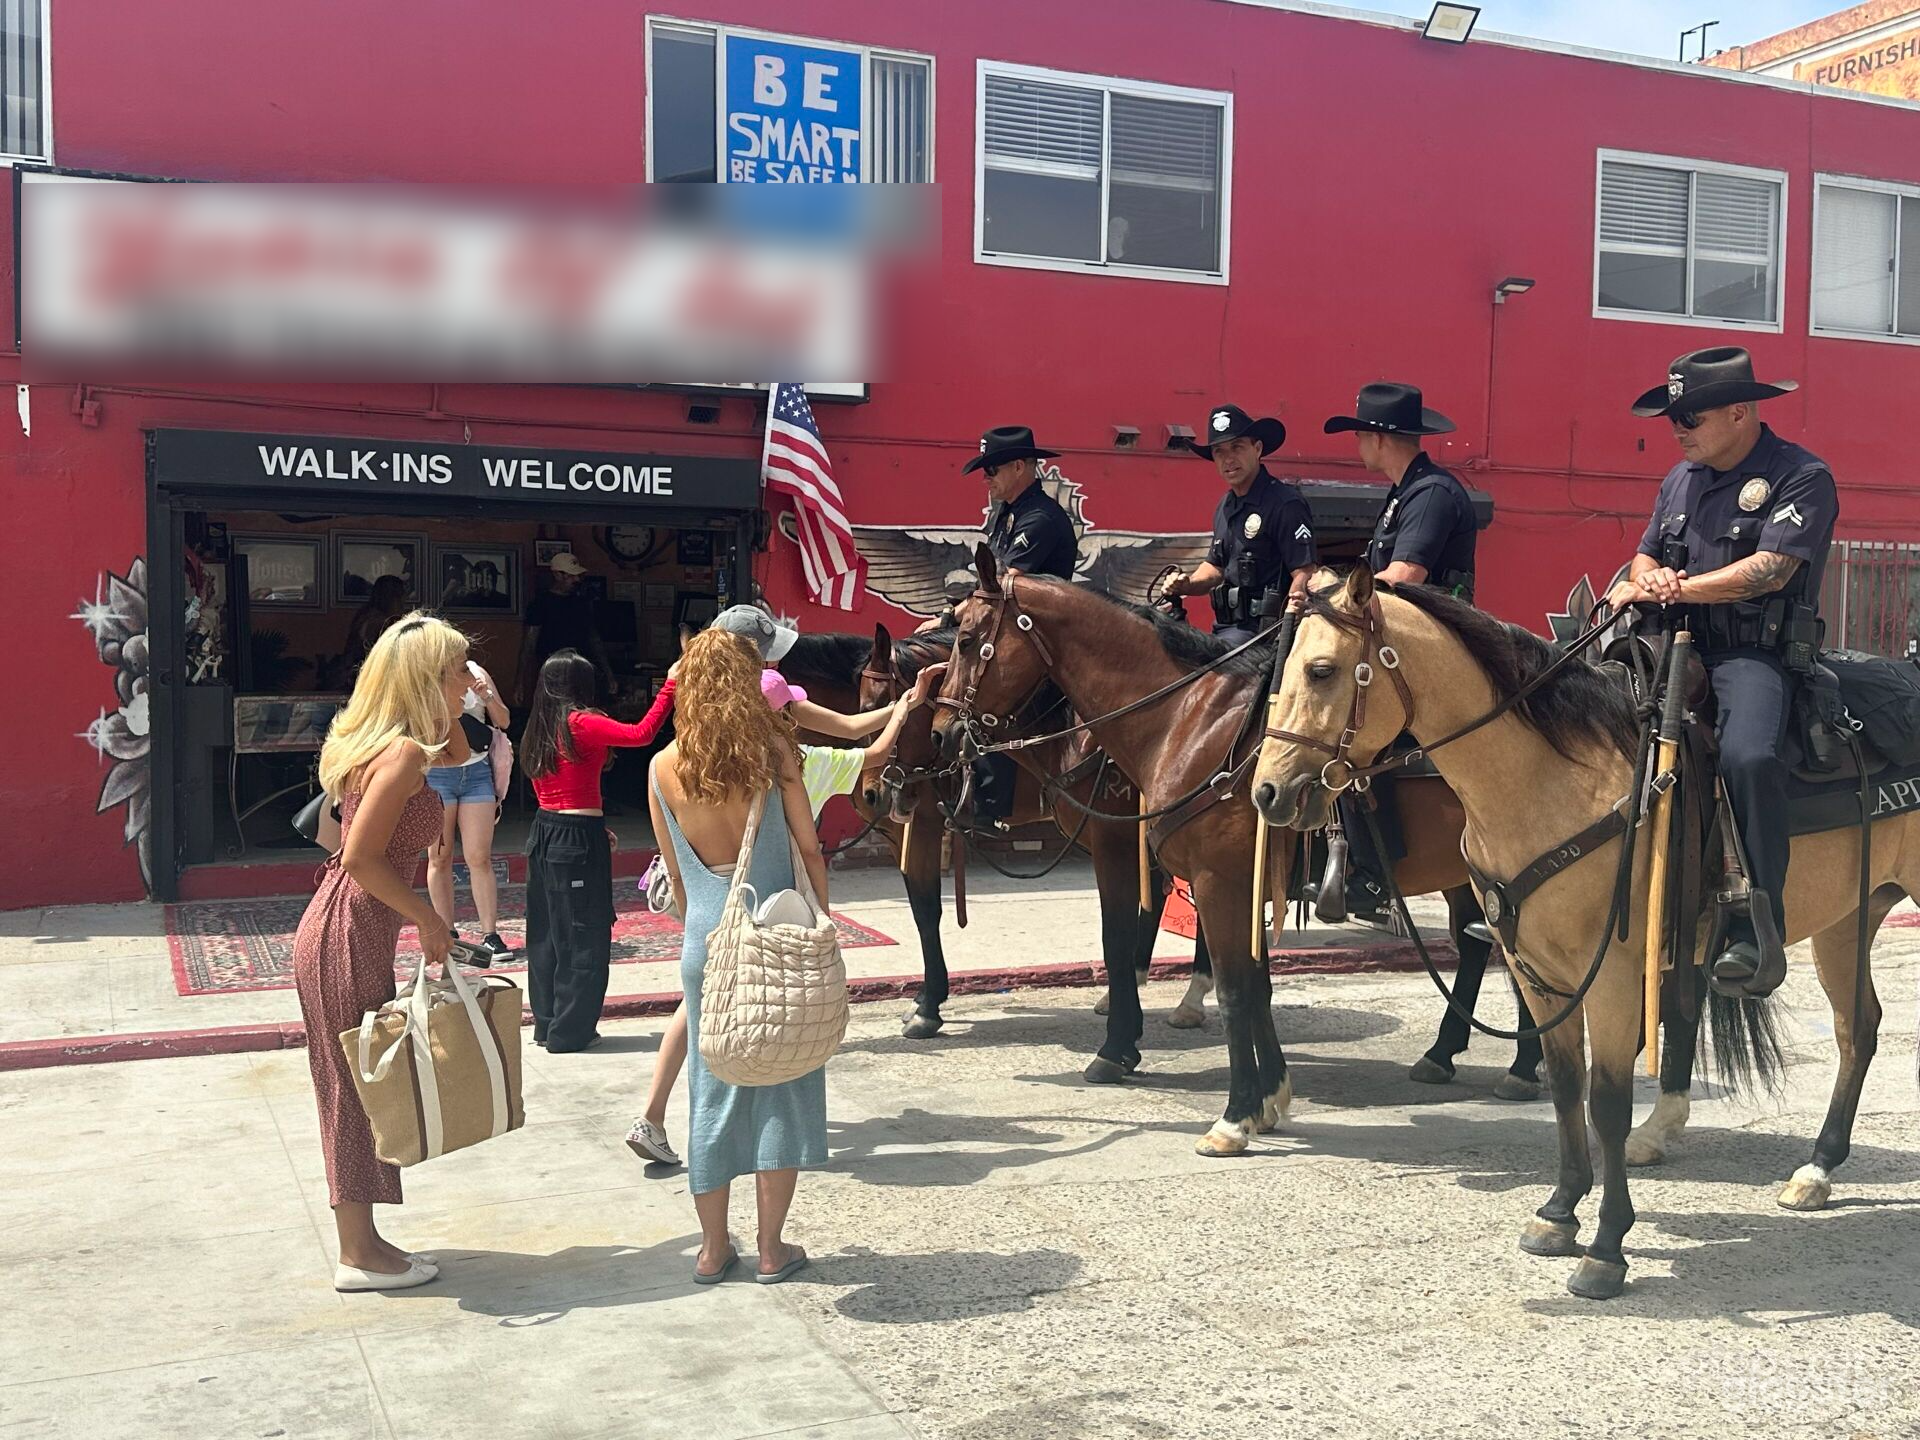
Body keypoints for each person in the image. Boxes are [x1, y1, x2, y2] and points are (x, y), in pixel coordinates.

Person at [625, 658, 945, 1169]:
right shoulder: (799, 762)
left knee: (703, 1029)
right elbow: (871, 755)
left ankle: (656, 1117)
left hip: (713, 922)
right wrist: (908, 704)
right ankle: (773, 1195)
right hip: (779, 917)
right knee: (782, 1044)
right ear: (786, 715)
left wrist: (699, 926)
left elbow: (682, 872)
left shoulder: (677, 766)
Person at [1605, 346, 1836, 998]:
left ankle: (1754, 923)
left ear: (1740, 411)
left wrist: (1676, 590)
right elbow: (1645, 554)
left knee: (1748, 756)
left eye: (1691, 416)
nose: (1678, 429)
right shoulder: (1680, 479)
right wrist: (1647, 581)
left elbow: (1771, 570)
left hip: (1749, 656)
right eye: (1672, 417)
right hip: (1665, 648)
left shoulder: (1800, 476)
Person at [290, 612, 472, 1293]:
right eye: (457, 671)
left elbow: (458, 757)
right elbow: (361, 857)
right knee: (351, 1088)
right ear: (427, 678)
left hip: (350, 926)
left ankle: (365, 1241)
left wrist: (458, 697)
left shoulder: (398, 746)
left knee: (361, 1084)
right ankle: (357, 1255)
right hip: (349, 928)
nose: (468, 683)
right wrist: (427, 918)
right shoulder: (397, 755)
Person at [646, 629, 831, 1283]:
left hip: (708, 942)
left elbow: (674, 872)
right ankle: (774, 1249)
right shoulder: (773, 751)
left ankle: (712, 1248)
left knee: (712, 1090)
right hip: (777, 936)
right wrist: (822, 917)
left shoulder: (661, 768)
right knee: (781, 1086)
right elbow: (809, 847)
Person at [1323, 382, 1477, 921]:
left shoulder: (1430, 493)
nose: (1358, 445)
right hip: (1409, 641)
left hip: (1431, 645)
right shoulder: (1405, 493)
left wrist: (1334, 593)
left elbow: (1406, 576)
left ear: (1378, 437)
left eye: (1360, 434)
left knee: (1357, 736)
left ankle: (1373, 871)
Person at [519, 648, 679, 1051]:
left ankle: (549, 1022)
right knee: (583, 932)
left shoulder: (539, 726)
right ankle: (571, 1031)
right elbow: (641, 734)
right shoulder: (582, 722)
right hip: (576, 833)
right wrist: (671, 685)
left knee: (547, 932)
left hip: (547, 829)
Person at [919, 426, 1080, 823]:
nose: (985, 478)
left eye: (992, 469)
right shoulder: (1009, 515)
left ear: (1020, 466)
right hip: (1014, 631)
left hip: (1043, 640)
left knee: (989, 694)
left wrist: (945, 617)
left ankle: (993, 803)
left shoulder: (1040, 518)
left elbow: (1003, 584)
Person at [1162, 403, 1318, 641]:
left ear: (1257, 448)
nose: (1228, 459)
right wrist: (1187, 583)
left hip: (1266, 634)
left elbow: (1305, 571)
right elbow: (1216, 567)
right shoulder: (1225, 505)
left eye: (1236, 447)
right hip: (1225, 630)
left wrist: (1289, 623)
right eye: (1219, 451)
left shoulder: (1285, 503)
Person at [424, 659, 513, 960]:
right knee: (440, 856)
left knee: (480, 856)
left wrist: (486, 695)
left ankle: (490, 933)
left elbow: (504, 720)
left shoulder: (475, 671)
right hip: (437, 772)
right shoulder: (424, 674)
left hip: (476, 772)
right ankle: (447, 932)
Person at [519, 552, 612, 702]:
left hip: (581, 669)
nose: (576, 579)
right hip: (552, 670)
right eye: (571, 575)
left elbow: (594, 639)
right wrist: (520, 683)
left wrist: (609, 674)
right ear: (557, 575)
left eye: (578, 576)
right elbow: (529, 644)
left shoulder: (582, 603)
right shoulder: (540, 604)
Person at [343, 574, 411, 676]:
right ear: (392, 599)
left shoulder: (366, 615)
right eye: (401, 600)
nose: (403, 606)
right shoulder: (378, 623)